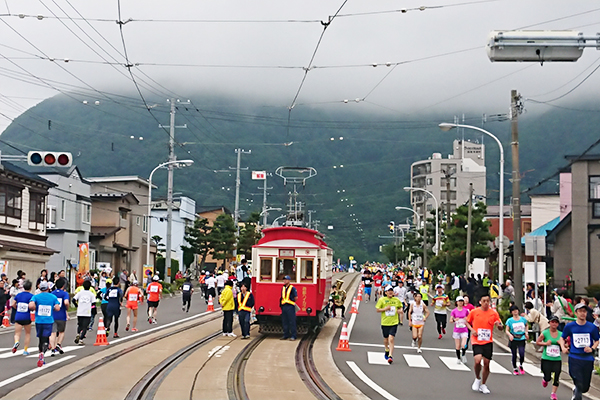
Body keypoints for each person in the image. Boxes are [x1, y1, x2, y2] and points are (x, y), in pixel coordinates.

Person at [560, 302, 600, 400]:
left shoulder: (592, 327)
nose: (583, 313)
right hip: (574, 357)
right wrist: (563, 347)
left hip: (588, 358)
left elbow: (597, 340)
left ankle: (577, 390)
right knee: (578, 381)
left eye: (584, 311)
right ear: (576, 313)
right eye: (580, 311)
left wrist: (592, 348)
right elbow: (562, 338)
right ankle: (577, 394)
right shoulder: (570, 326)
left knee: (585, 387)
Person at [466, 294, 503, 394]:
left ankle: (483, 384)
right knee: (477, 360)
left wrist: (499, 326)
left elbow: (500, 325)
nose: (486, 303)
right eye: (484, 301)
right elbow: (467, 322)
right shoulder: (474, 312)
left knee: (486, 364)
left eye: (488, 301)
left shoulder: (493, 313)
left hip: (488, 341)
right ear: (480, 302)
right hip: (477, 339)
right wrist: (472, 330)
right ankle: (477, 378)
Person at [29, 281, 60, 367]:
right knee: (46, 338)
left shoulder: (36, 297)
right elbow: (57, 308)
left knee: (40, 338)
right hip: (48, 320)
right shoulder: (53, 297)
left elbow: (31, 306)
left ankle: (40, 352)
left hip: (38, 321)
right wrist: (52, 308)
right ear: (48, 288)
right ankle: (43, 353)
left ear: (39, 288)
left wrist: (35, 308)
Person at [536, 315, 563, 400]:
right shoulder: (545, 333)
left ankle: (553, 393)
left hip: (557, 359)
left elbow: (565, 345)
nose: (554, 324)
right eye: (552, 322)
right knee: (547, 375)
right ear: (549, 323)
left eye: (556, 322)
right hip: (546, 358)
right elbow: (538, 342)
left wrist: (561, 344)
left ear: (558, 324)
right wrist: (545, 344)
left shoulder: (561, 334)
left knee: (556, 376)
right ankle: (545, 379)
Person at [376, 285, 403, 364]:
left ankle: (390, 356)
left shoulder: (396, 300)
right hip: (385, 322)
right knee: (386, 339)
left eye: (391, 291)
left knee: (391, 338)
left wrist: (400, 311)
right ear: (386, 292)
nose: (390, 292)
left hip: (394, 322)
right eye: (389, 291)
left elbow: (400, 307)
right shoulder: (382, 300)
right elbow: (377, 309)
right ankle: (386, 349)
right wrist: (385, 309)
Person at [506, 305, 529, 375]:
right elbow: (506, 330)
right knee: (514, 354)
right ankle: (515, 368)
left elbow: (526, 325)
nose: (515, 312)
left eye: (516, 310)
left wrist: (526, 332)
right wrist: (510, 335)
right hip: (514, 338)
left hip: (521, 338)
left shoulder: (523, 319)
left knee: (522, 354)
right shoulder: (510, 320)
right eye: (513, 311)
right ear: (511, 312)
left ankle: (521, 365)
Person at [12, 280, 33, 355]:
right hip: (27, 316)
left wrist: (16, 308)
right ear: (30, 287)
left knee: (17, 333)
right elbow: (32, 306)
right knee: (27, 333)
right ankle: (25, 350)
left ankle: (16, 342)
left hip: (18, 316)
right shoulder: (31, 296)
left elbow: (13, 304)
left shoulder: (18, 295)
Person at [50, 278, 70, 356]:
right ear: (63, 285)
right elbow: (66, 302)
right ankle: (58, 344)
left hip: (53, 315)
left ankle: (52, 348)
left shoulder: (52, 293)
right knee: (61, 332)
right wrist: (67, 308)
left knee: (53, 333)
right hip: (61, 315)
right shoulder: (64, 294)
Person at [73, 280, 96, 345]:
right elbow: (94, 303)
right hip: (87, 312)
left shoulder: (80, 293)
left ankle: (78, 333)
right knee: (85, 326)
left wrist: (77, 305)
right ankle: (81, 339)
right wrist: (92, 308)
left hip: (80, 311)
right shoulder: (91, 294)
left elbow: (73, 300)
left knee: (80, 325)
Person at [450, 296, 470, 364]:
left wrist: (466, 319)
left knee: (463, 344)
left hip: (464, 329)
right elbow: (450, 320)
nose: (460, 303)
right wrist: (454, 320)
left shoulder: (466, 310)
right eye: (459, 301)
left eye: (462, 301)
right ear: (457, 302)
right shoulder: (454, 311)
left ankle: (463, 354)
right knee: (457, 346)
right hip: (457, 330)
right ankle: (458, 358)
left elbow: (469, 319)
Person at [280, 275, 297, 341]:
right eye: (284, 280)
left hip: (290, 306)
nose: (285, 281)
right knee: (285, 321)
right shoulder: (283, 288)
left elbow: (296, 297)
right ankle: (285, 335)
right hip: (284, 306)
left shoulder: (292, 288)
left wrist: (291, 301)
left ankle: (293, 335)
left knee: (292, 321)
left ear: (289, 281)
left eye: (286, 280)